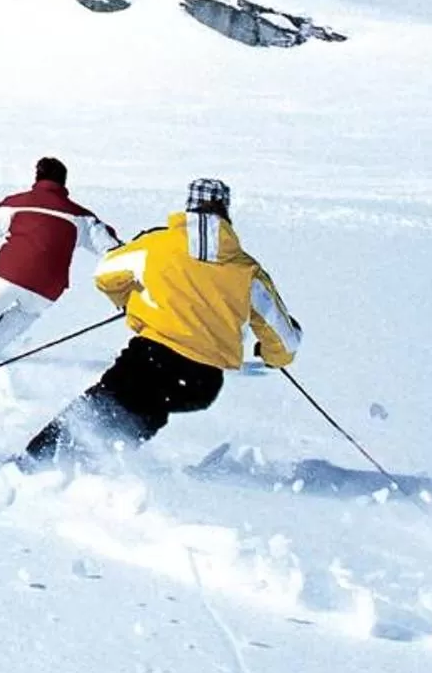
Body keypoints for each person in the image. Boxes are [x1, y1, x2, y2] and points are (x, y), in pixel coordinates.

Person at [17, 179, 298, 469]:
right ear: (225, 211)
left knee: (101, 407)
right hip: (203, 381)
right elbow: (286, 342)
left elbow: (106, 272)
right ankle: (92, 469)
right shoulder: (248, 270)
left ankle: (33, 466)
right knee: (145, 411)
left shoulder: (155, 246)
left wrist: (129, 300)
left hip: (153, 359)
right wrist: (271, 355)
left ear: (189, 207)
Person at [0, 156, 118, 358]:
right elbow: (111, 247)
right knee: (26, 315)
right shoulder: (82, 216)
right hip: (49, 286)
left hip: (11, 273)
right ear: (64, 182)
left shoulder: (15, 203)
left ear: (37, 176)